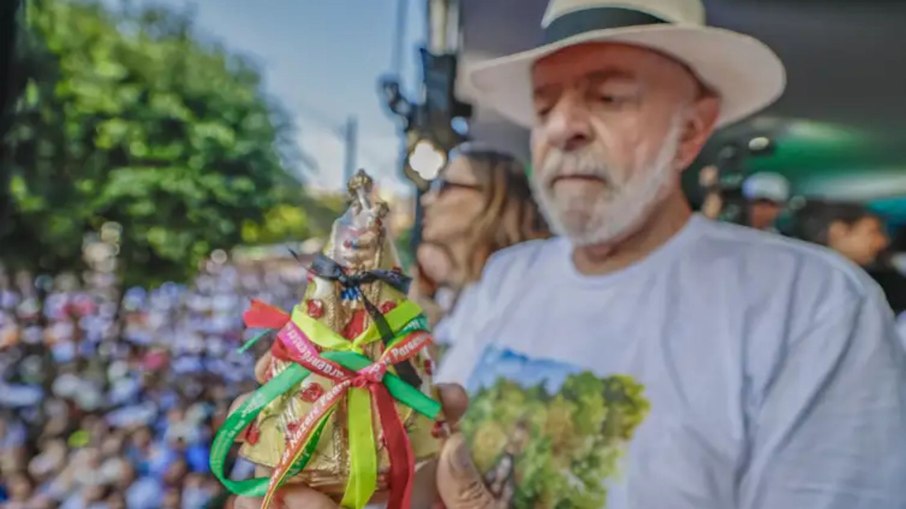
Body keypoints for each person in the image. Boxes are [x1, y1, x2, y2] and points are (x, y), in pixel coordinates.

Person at [233, 0, 906, 507]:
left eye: (609, 96)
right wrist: (343, 450)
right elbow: (435, 457)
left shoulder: (811, 304)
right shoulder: (510, 274)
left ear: (692, 128)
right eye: (544, 104)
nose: (561, 127)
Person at [412, 143, 549, 339]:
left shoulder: (521, 293)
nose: (427, 199)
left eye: (444, 186)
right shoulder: (459, 297)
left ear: (493, 197)